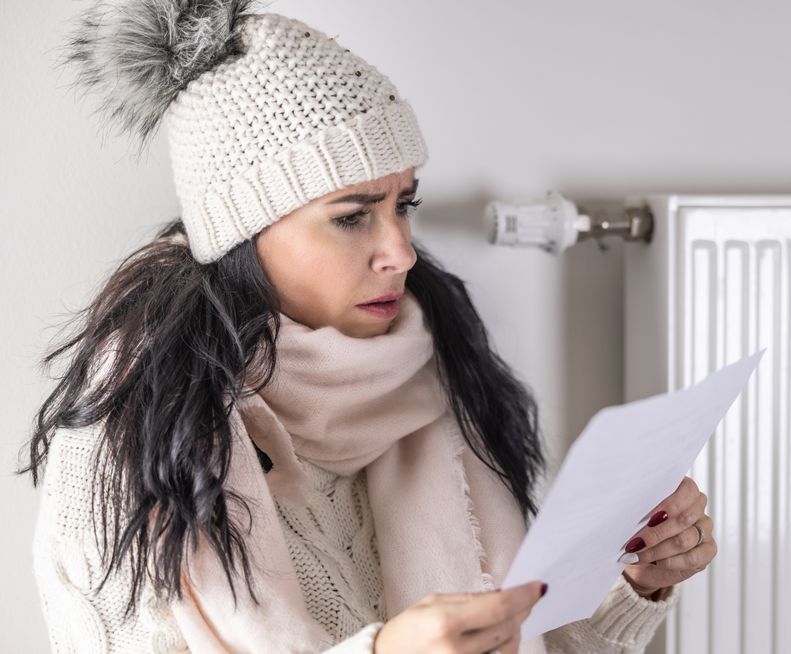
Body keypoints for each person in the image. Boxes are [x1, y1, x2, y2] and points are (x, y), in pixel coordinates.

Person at [17, 1, 716, 652]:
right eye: (352, 216)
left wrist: (637, 580)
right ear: (243, 235)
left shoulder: (426, 375)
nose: (402, 251)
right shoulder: (131, 439)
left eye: (403, 205)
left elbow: (520, 639)